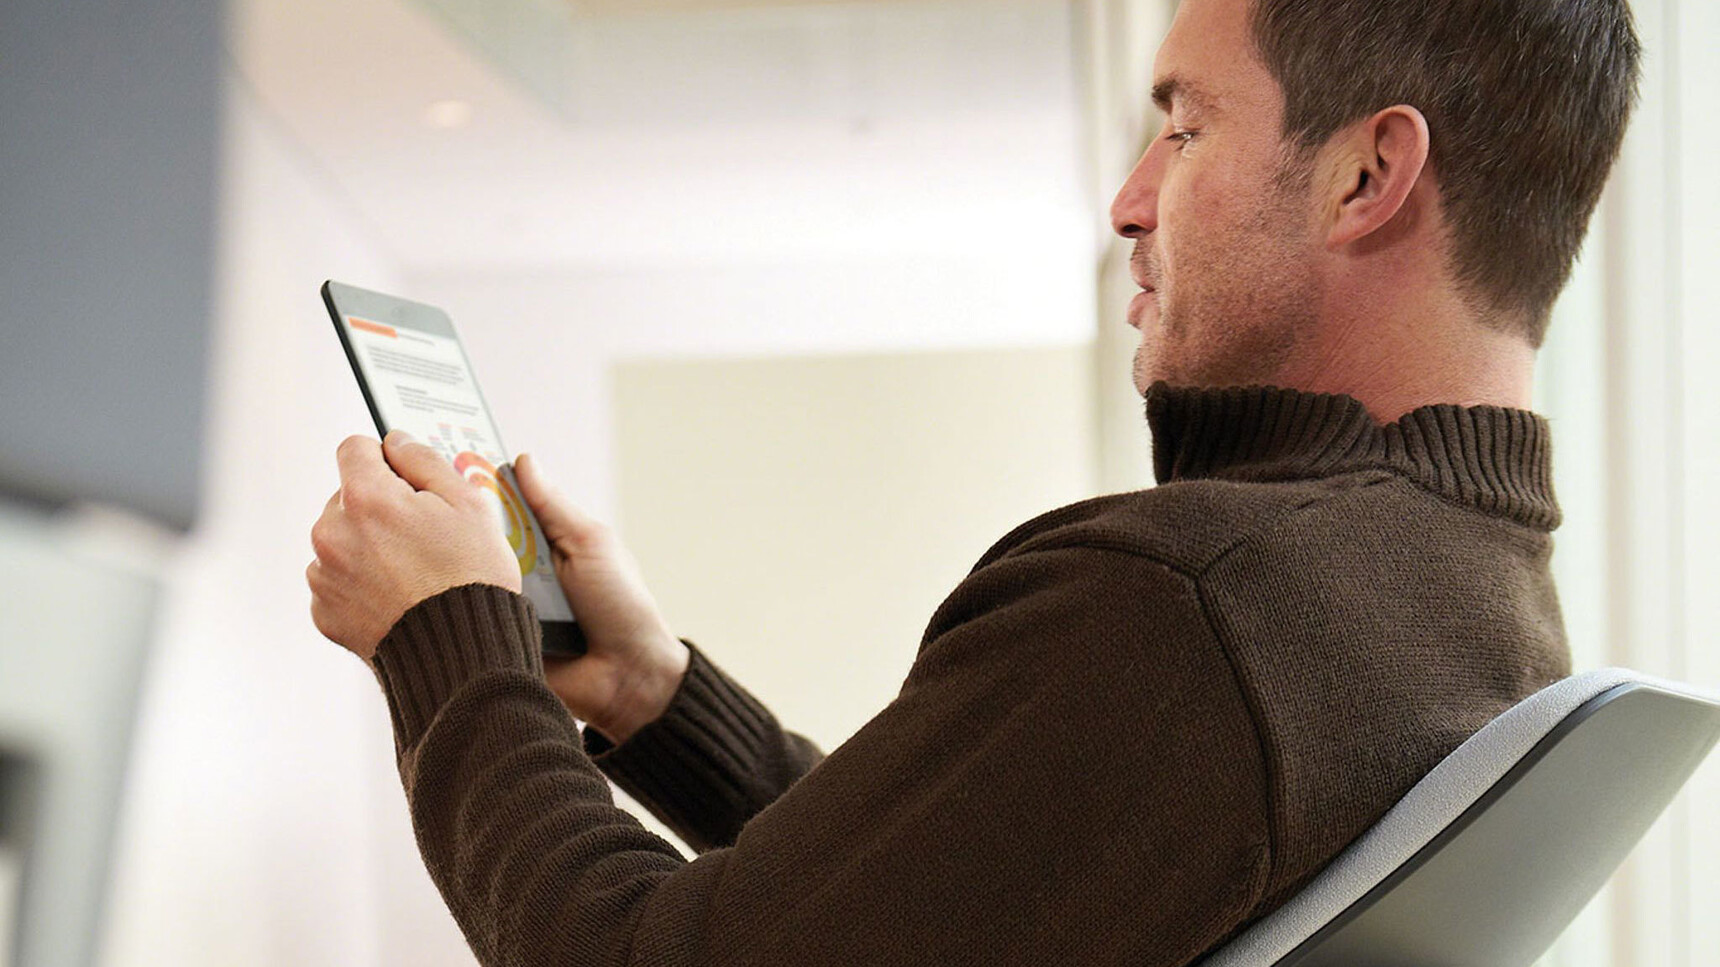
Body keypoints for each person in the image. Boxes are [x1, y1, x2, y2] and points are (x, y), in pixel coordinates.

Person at [305, 0, 1641, 963]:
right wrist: (661, 704)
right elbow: (961, 899)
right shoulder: (1471, 590)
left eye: (1182, 127)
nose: (1128, 202)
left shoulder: (1191, 606)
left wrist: (448, 646)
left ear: (1367, 175)